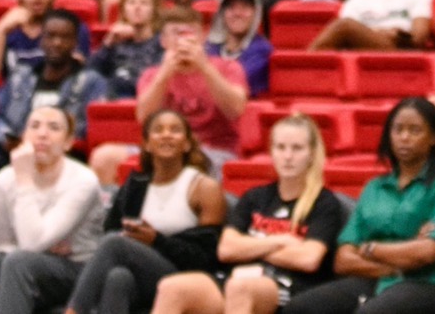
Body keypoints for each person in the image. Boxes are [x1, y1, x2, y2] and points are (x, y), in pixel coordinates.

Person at [146, 115, 348, 314]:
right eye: (280, 147)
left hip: (286, 284)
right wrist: (281, 241)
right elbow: (226, 249)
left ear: (311, 154)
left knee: (240, 288)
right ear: (271, 152)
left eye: (297, 148)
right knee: (172, 287)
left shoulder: (324, 203)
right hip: (236, 278)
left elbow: (308, 258)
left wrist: (250, 246)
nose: (288, 156)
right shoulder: (255, 197)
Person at [285, 98, 435, 314]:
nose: (404, 137)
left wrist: (370, 249)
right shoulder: (374, 187)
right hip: (377, 278)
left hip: (434, 284)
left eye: (415, 130)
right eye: (398, 130)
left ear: (434, 137)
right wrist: (399, 263)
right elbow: (343, 260)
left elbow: (427, 253)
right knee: (300, 308)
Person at [0, 106, 103, 314]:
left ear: (68, 142)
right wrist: (41, 245)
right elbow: (2, 245)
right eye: (34, 126)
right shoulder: (4, 178)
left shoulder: (83, 180)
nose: (42, 134)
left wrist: (24, 180)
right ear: (24, 136)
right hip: (20, 262)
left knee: (20, 261)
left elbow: (31, 244)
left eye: (54, 128)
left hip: (76, 270)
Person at [67, 112, 230, 314]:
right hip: (144, 276)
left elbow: (206, 258)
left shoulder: (204, 187)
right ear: (146, 144)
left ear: (187, 144)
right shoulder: (136, 186)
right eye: (158, 130)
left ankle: (74, 311)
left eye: (175, 130)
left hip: (188, 276)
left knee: (115, 243)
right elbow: (112, 232)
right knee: (118, 277)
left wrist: (157, 240)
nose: (166, 135)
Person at [133, 9, 248, 176]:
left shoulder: (229, 68)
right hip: (163, 149)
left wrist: (205, 67)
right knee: (106, 156)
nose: (182, 41)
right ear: (163, 41)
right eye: (176, 34)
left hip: (216, 150)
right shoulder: (152, 75)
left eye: (188, 33)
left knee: (190, 163)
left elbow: (236, 110)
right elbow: (143, 117)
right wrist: (164, 74)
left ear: (202, 38)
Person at [0, 11, 108, 157]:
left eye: (65, 37)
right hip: (14, 152)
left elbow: (89, 129)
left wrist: (44, 141)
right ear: (41, 39)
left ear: (75, 42)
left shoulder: (91, 82)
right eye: (50, 36)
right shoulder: (20, 77)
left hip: (67, 156)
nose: (57, 43)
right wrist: (7, 137)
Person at [88, 0, 170, 103]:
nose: (137, 7)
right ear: (124, 10)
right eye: (131, 3)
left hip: (147, 100)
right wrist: (107, 43)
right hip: (113, 100)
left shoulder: (162, 42)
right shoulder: (115, 43)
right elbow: (90, 74)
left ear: (154, 10)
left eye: (144, 3)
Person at [208, 0, 272, 95]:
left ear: (256, 14)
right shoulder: (210, 48)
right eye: (231, 7)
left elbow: (237, 81)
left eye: (245, 7)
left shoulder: (262, 50)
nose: (237, 13)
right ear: (222, 14)